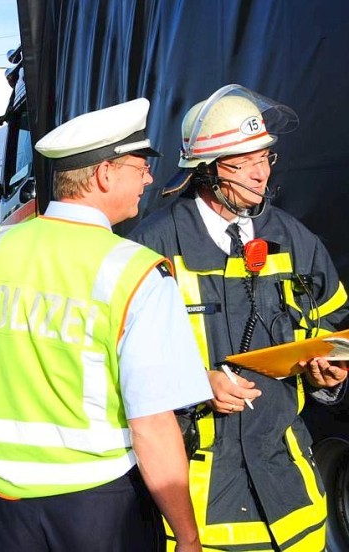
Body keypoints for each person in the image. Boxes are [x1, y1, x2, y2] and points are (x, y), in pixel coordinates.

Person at [0, 98, 212, 552]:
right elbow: (151, 425)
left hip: (6, 503)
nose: (149, 178)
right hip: (101, 508)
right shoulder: (135, 272)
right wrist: (187, 537)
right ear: (104, 174)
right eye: (140, 165)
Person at [129, 84, 349, 551]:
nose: (260, 175)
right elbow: (113, 366)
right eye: (241, 163)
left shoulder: (297, 241)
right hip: (198, 503)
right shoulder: (153, 250)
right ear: (204, 172)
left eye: (265, 157)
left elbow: (334, 329)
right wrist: (195, 383)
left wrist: (330, 379)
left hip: (293, 500)